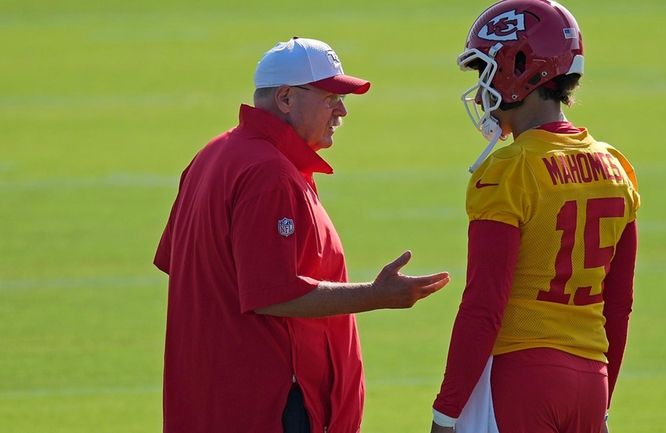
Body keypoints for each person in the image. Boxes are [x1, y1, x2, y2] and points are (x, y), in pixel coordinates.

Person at [153, 37, 450, 433]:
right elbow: (272, 293)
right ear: (287, 98)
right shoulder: (268, 174)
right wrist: (376, 296)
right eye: (331, 98)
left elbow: (182, 265)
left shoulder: (215, 154)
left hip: (213, 399)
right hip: (266, 405)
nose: (342, 111)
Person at [430, 1, 640, 433]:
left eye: (486, 70)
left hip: (519, 378)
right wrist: (601, 405)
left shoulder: (509, 170)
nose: (482, 87)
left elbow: (484, 306)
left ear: (520, 68)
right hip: (591, 379)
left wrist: (445, 412)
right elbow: (618, 307)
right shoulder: (616, 166)